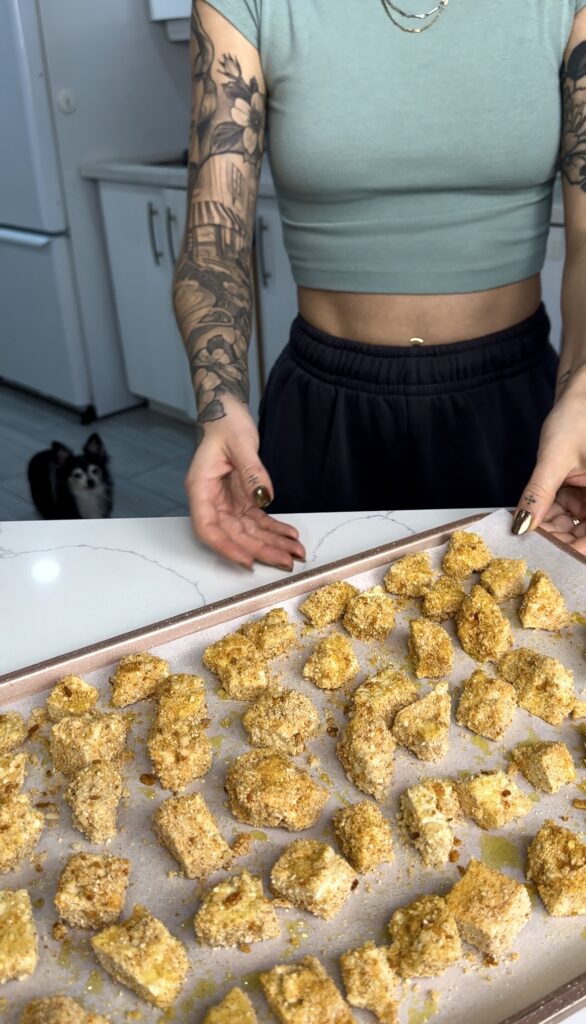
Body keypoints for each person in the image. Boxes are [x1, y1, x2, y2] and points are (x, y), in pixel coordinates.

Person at [173, 0, 586, 569]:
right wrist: (219, 404)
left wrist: (583, 395)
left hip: (517, 410)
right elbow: (213, 243)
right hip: (325, 411)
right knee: (305, 643)